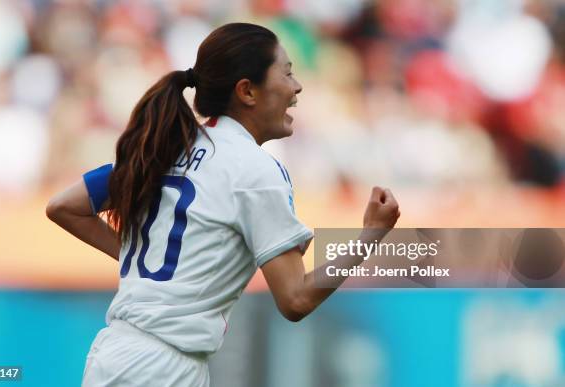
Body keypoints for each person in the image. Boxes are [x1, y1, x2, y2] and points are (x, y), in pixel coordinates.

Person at [46, 22, 399, 387]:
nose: (297, 87)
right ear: (247, 91)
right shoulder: (254, 169)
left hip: (114, 355)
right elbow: (295, 300)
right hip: (162, 369)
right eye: (288, 73)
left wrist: (139, 258)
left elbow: (64, 206)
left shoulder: (166, 144)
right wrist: (370, 235)